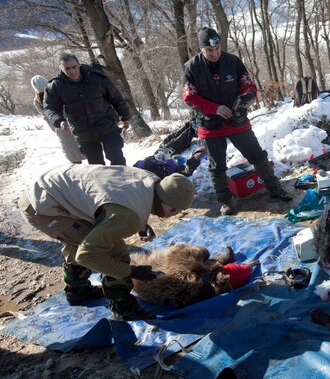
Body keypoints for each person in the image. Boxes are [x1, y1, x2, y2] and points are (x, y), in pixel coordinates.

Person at [18, 164, 197, 321]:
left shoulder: (150, 180)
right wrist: (131, 271)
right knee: (113, 252)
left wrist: (142, 223)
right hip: (43, 206)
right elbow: (88, 255)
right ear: (170, 206)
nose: (175, 214)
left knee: (84, 238)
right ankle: (123, 308)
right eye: (176, 211)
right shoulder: (127, 216)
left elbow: (121, 201)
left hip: (55, 186)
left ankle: (77, 290)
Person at [182, 27, 292, 216]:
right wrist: (214, 108)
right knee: (217, 165)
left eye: (217, 49)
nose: (215, 54)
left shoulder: (232, 61)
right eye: (209, 51)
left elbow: (248, 84)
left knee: (258, 155)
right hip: (210, 124)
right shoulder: (192, 67)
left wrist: (248, 96)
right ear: (201, 49)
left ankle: (275, 189)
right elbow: (189, 97)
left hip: (236, 119)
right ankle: (225, 201)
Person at [44, 53, 131, 166]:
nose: (72, 71)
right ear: (61, 68)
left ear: (78, 64)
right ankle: (103, 183)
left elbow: (116, 98)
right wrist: (59, 121)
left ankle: (123, 181)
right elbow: (50, 107)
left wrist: (125, 117)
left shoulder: (96, 78)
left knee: (116, 157)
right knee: (96, 166)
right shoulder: (56, 86)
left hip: (106, 125)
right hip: (83, 132)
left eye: (74, 67)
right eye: (67, 69)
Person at [30, 75, 85, 164]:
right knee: (91, 156)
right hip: (73, 124)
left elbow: (47, 118)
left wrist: (56, 128)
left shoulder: (37, 101)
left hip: (61, 128)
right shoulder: (57, 90)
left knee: (74, 157)